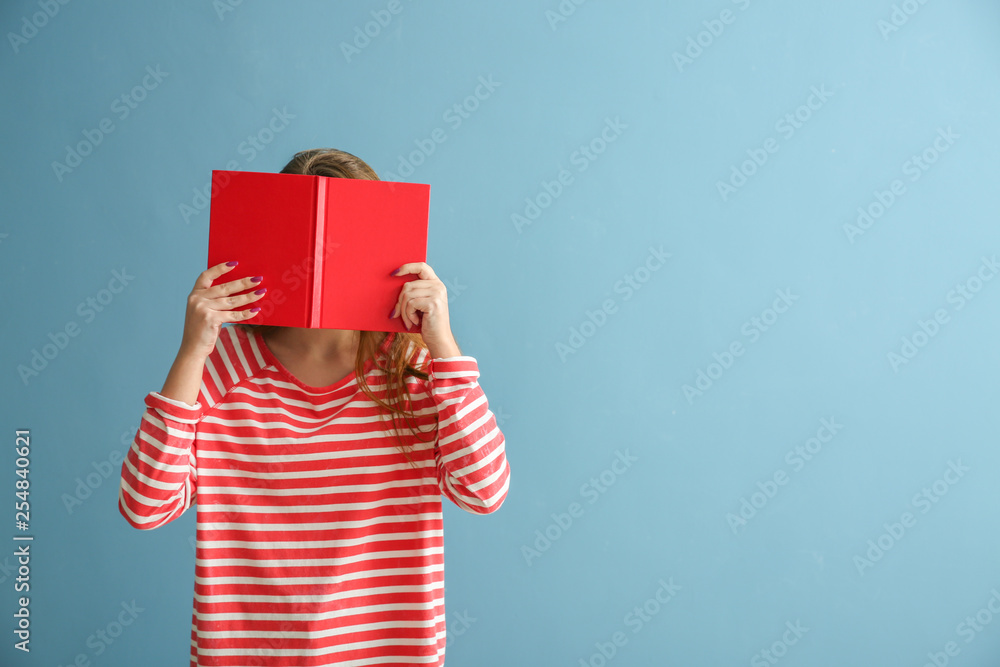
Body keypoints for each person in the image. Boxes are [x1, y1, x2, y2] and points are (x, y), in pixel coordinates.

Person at [117, 148, 511, 666]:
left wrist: (445, 347)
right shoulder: (220, 364)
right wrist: (192, 350)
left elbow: (484, 493)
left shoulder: (411, 367)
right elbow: (145, 507)